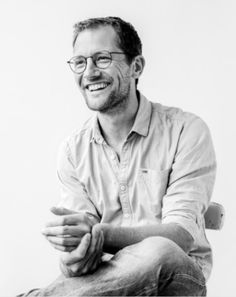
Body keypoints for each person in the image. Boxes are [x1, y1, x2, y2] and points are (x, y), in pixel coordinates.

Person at [21, 16, 216, 296]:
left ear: (136, 66)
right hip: (108, 281)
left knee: (159, 249)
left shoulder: (187, 130)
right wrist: (74, 258)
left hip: (177, 275)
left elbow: (182, 237)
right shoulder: (72, 151)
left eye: (101, 59)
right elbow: (82, 253)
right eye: (79, 62)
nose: (89, 72)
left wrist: (99, 235)